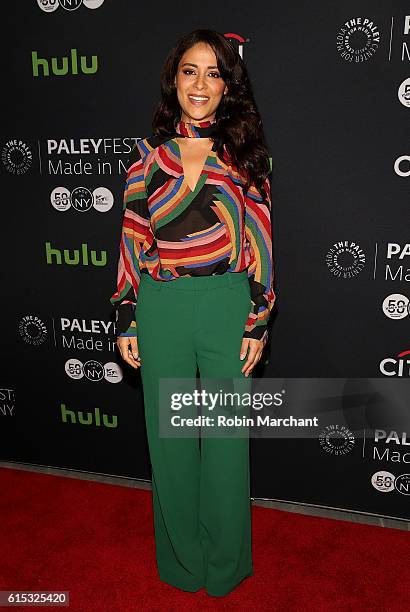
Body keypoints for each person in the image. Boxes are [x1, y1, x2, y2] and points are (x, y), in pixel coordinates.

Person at [109, 28, 276, 597]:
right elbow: (132, 243)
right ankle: (181, 563)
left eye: (212, 72)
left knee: (226, 447)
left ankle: (225, 565)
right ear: (173, 80)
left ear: (228, 85)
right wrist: (127, 316)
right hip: (163, 308)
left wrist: (258, 317)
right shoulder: (144, 164)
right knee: (172, 446)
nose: (199, 84)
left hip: (228, 304)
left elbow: (261, 239)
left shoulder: (246, 157)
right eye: (188, 71)